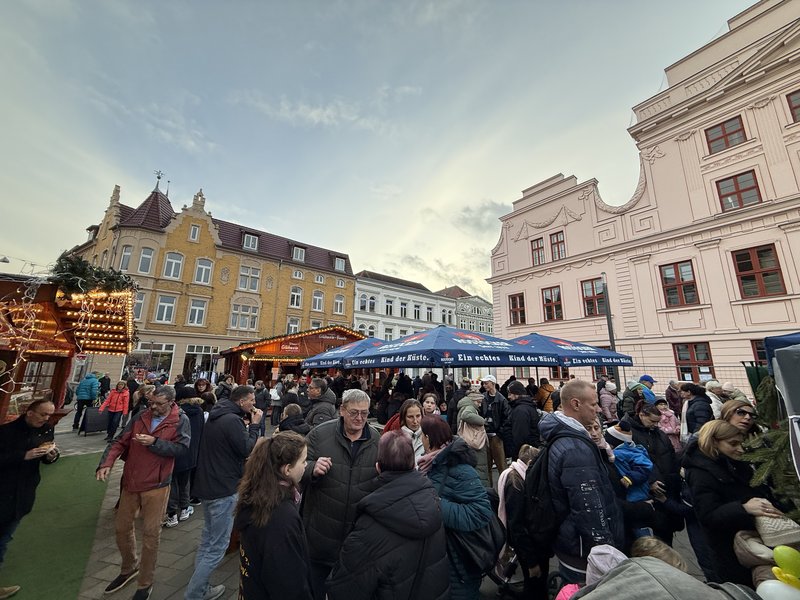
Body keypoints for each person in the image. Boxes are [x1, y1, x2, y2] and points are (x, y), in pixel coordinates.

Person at [326, 431, 449, 600]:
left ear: (378, 467)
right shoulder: (432, 502)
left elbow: (344, 589)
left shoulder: (369, 528)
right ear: (413, 464)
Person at [96, 386, 190, 600]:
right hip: (132, 480)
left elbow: (183, 449)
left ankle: (145, 582)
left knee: (151, 535)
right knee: (121, 528)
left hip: (157, 484)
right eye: (151, 402)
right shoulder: (141, 415)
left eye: (159, 404)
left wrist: (155, 443)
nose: (153, 407)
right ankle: (129, 566)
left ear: (171, 403)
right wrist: (106, 463)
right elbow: (120, 440)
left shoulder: (179, 420)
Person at [537, 379, 624, 584]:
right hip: (586, 554)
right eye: (593, 404)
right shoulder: (575, 449)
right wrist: (605, 553)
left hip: (572, 543)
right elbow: (588, 508)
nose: (599, 409)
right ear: (576, 404)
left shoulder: (567, 436)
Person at [185, 385, 262, 600]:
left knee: (208, 539)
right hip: (223, 487)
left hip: (209, 483)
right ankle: (194, 593)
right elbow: (246, 448)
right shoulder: (231, 420)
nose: (254, 404)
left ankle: (200, 586)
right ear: (241, 401)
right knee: (217, 546)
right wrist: (255, 425)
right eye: (251, 400)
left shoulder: (218, 415)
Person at [682, 420, 782, 586]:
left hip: (752, 541)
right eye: (733, 444)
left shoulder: (733, 461)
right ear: (714, 442)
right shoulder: (700, 473)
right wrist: (743, 508)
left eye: (740, 443)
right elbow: (708, 516)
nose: (740, 449)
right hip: (730, 550)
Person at [301, 389, 380, 600]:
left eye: (364, 413)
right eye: (354, 412)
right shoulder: (319, 434)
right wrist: (311, 468)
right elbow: (297, 467)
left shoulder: (376, 440)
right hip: (320, 536)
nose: (360, 418)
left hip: (356, 541)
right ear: (342, 410)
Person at [418, 416, 492, 600]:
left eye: (422, 435)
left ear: (428, 438)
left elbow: (481, 512)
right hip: (439, 557)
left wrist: (436, 504)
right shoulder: (429, 465)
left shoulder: (460, 469)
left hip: (459, 561)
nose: (420, 439)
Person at [235, 432, 313, 600]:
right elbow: (288, 583)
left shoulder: (258, 493)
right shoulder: (282, 518)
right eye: (303, 461)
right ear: (287, 469)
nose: (306, 465)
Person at [0, 399, 59, 600]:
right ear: (30, 412)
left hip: (24, 492)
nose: (46, 418)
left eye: (49, 415)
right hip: (4, 489)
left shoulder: (46, 430)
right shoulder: (6, 431)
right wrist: (24, 455)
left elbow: (46, 456)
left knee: (4, 537)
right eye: (43, 414)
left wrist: (50, 456)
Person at [498, 444, 548, 599]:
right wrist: (532, 562)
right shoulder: (517, 484)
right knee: (535, 587)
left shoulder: (514, 476)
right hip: (529, 547)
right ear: (530, 463)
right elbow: (517, 526)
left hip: (528, 545)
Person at [163, 386, 204, 528]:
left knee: (172, 482)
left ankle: (172, 513)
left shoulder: (177, 413)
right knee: (185, 482)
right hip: (192, 452)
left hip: (176, 450)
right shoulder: (199, 411)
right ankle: (185, 508)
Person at [479, 375, 512, 486]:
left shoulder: (502, 399)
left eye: (486, 383)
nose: (484, 385)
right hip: (485, 435)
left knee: (501, 465)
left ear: (493, 383)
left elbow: (507, 418)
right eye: (483, 383)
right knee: (486, 465)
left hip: (496, 436)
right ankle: (489, 490)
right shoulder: (483, 397)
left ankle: (505, 487)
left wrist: (499, 433)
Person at [456, 391, 490, 486]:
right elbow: (466, 415)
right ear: (473, 400)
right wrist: (482, 421)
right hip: (474, 441)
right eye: (478, 402)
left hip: (467, 441)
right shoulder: (469, 407)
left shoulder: (463, 406)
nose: (479, 405)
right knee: (479, 467)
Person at [506, 380, 541, 459]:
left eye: (510, 394)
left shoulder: (520, 410)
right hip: (528, 450)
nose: (508, 397)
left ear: (517, 394)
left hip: (523, 454)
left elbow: (520, 436)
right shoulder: (526, 406)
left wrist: (517, 454)